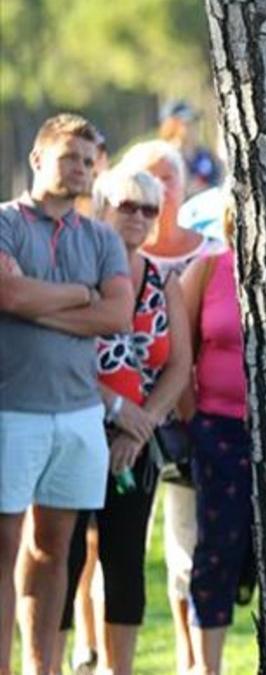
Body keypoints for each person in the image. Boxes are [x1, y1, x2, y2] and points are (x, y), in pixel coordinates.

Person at [0, 113, 134, 675]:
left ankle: (40, 667)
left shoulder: (101, 236)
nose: (80, 169)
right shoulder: (5, 223)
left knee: (54, 551)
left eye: (87, 160)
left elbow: (119, 314)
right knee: (3, 551)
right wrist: (82, 295)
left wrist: (39, 300)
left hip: (78, 416)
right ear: (37, 160)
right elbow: (6, 294)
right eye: (68, 158)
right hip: (12, 411)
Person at [54, 168, 192, 675]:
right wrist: (114, 410)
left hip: (136, 443)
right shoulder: (74, 274)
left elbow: (178, 365)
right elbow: (56, 355)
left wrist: (142, 424)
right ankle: (50, 662)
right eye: (127, 206)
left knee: (125, 557)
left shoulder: (162, 280)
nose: (138, 218)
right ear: (102, 208)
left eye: (149, 209)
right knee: (64, 557)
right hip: (71, 428)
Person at [120, 138, 223, 675]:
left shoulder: (205, 253)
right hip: (118, 419)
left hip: (187, 418)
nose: (159, 190)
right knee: (108, 546)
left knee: (187, 543)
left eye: (169, 179)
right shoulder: (112, 253)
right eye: (147, 179)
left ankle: (190, 659)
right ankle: (94, 652)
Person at [177, 204, 251, 675]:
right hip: (217, 433)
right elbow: (179, 352)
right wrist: (193, 423)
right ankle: (209, 668)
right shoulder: (206, 270)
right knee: (216, 551)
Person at [158, 100, 223, 196]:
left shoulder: (204, 155)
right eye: (187, 123)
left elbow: (219, 181)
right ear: (171, 125)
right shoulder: (164, 158)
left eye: (194, 122)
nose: (194, 128)